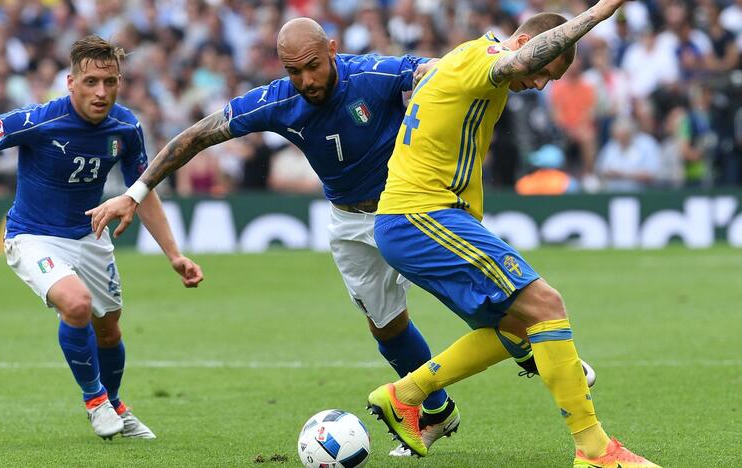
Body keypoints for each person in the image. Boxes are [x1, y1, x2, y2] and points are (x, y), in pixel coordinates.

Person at [86, 18, 594, 457]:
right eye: (293, 71)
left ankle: (539, 347)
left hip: (413, 208)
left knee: (493, 304)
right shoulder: (279, 101)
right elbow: (197, 135)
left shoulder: (371, 74)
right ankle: (437, 410)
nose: (306, 80)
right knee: (386, 329)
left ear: (332, 50)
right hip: (349, 223)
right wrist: (136, 191)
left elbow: (434, 73)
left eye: (313, 65)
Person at [366, 4, 659, 467]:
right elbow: (516, 63)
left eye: (551, 79)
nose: (540, 84)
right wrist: (600, 12)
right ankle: (596, 449)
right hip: (420, 215)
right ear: (524, 44)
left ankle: (405, 395)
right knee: (547, 305)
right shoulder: (486, 62)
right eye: (543, 70)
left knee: (519, 328)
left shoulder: (468, 57)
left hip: (417, 218)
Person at [0, 35, 204, 440]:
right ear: (71, 82)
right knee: (76, 304)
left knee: (109, 331)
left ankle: (114, 403)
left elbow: (142, 191)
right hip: (32, 237)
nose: (101, 92)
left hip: (89, 238)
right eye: (91, 82)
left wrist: (174, 254)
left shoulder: (126, 126)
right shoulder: (40, 120)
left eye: (110, 82)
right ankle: (94, 401)